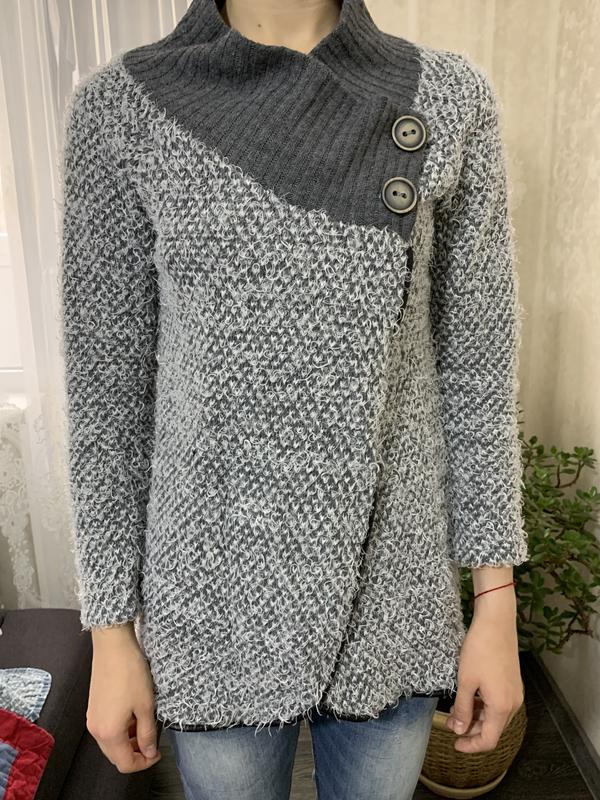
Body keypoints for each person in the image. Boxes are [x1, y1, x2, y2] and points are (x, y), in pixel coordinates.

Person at [58, 0, 529, 797]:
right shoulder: (123, 108)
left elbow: (476, 372)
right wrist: (110, 629)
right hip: (211, 591)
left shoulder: (450, 99)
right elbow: (107, 397)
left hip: (389, 584)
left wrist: (496, 600)